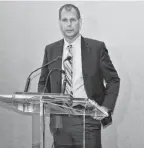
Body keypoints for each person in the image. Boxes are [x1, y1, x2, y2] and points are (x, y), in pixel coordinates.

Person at [38, 4, 120, 148]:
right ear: (59, 23)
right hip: (59, 121)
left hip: (87, 118)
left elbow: (113, 80)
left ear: (80, 22)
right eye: (64, 20)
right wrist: (45, 104)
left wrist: (105, 108)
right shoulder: (51, 50)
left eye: (73, 20)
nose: (69, 24)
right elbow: (43, 83)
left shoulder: (96, 48)